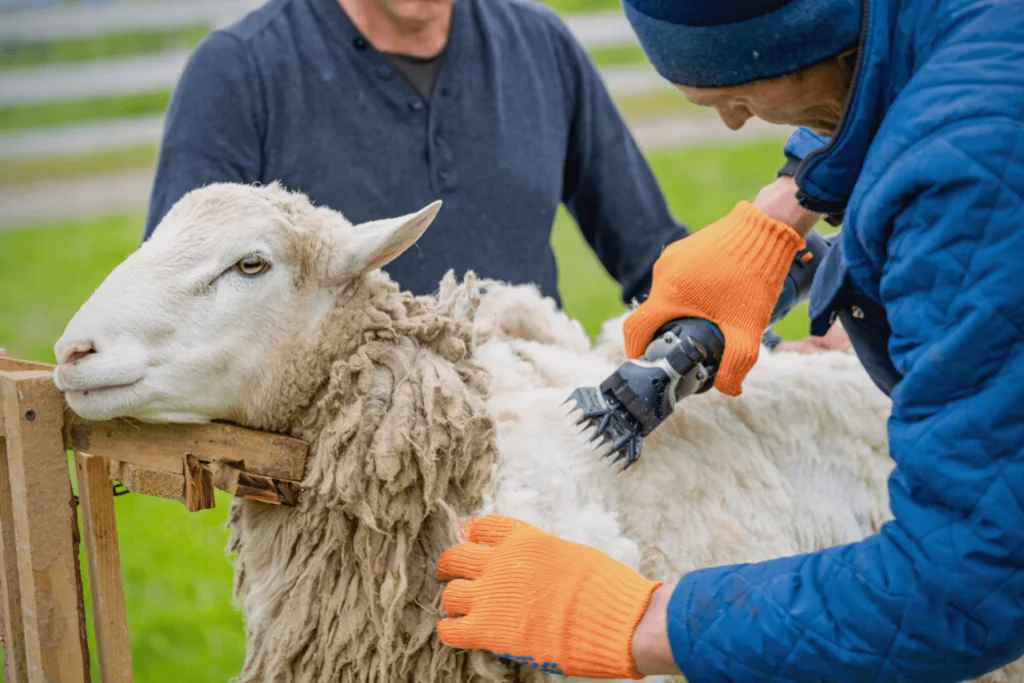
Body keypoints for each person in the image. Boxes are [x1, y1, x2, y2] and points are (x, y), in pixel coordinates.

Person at [434, 0, 1024, 680]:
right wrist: (782, 211)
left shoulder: (967, 173)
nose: (731, 120)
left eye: (736, 93)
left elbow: (969, 582)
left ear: (803, 38)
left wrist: (642, 619)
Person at [142, 0, 835, 349]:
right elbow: (176, 301)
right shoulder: (239, 73)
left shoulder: (539, 47)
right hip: (345, 483)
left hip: (532, 446)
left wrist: (766, 354)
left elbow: (650, 255)